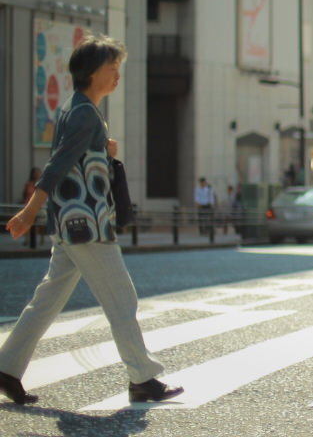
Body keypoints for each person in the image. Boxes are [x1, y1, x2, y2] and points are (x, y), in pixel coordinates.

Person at [1, 34, 183, 405]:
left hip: (72, 224)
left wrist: (104, 146)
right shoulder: (84, 113)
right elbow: (57, 166)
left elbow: (75, 157)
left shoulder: (76, 108)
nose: (117, 74)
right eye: (111, 68)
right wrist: (29, 211)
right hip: (87, 225)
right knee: (121, 297)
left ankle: (6, 368)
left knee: (48, 299)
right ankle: (142, 378)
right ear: (90, 72)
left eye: (118, 67)